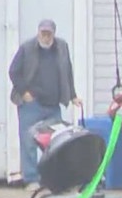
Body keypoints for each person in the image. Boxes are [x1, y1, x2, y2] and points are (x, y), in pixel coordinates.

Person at [8, 19, 82, 189]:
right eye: (43, 33)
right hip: (31, 104)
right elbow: (13, 71)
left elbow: (67, 72)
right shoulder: (27, 48)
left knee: (55, 142)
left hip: (53, 103)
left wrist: (72, 96)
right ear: (38, 32)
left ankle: (52, 179)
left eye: (49, 33)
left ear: (54, 34)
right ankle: (31, 179)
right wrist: (24, 91)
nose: (46, 37)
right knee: (29, 141)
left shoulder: (62, 47)